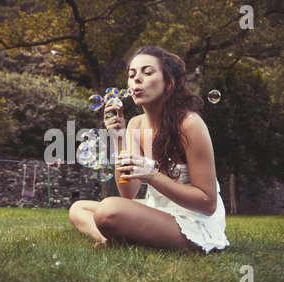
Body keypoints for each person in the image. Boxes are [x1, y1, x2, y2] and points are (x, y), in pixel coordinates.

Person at [69, 47, 229, 254]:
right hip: (159, 214)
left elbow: (207, 203)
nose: (137, 79)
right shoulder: (135, 125)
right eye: (132, 75)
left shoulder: (190, 124)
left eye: (147, 72)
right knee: (78, 208)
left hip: (193, 221)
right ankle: (115, 240)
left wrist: (152, 176)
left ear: (169, 83)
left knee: (108, 210)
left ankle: (121, 238)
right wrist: (119, 137)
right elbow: (127, 194)